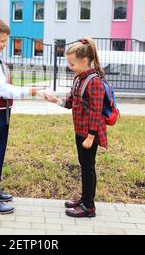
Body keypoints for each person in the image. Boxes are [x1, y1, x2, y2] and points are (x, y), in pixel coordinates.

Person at [0, 17, 41, 214]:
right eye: (2, 41)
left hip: (0, 112)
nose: (5, 45)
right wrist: (26, 91)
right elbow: (1, 89)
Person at [43, 37, 107, 218]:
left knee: (88, 167)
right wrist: (55, 99)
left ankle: (89, 207)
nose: (70, 67)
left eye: (72, 64)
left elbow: (96, 111)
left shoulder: (93, 81)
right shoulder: (79, 78)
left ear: (85, 61)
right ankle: (84, 199)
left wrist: (91, 136)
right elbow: (72, 102)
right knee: (84, 165)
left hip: (89, 133)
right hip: (80, 131)